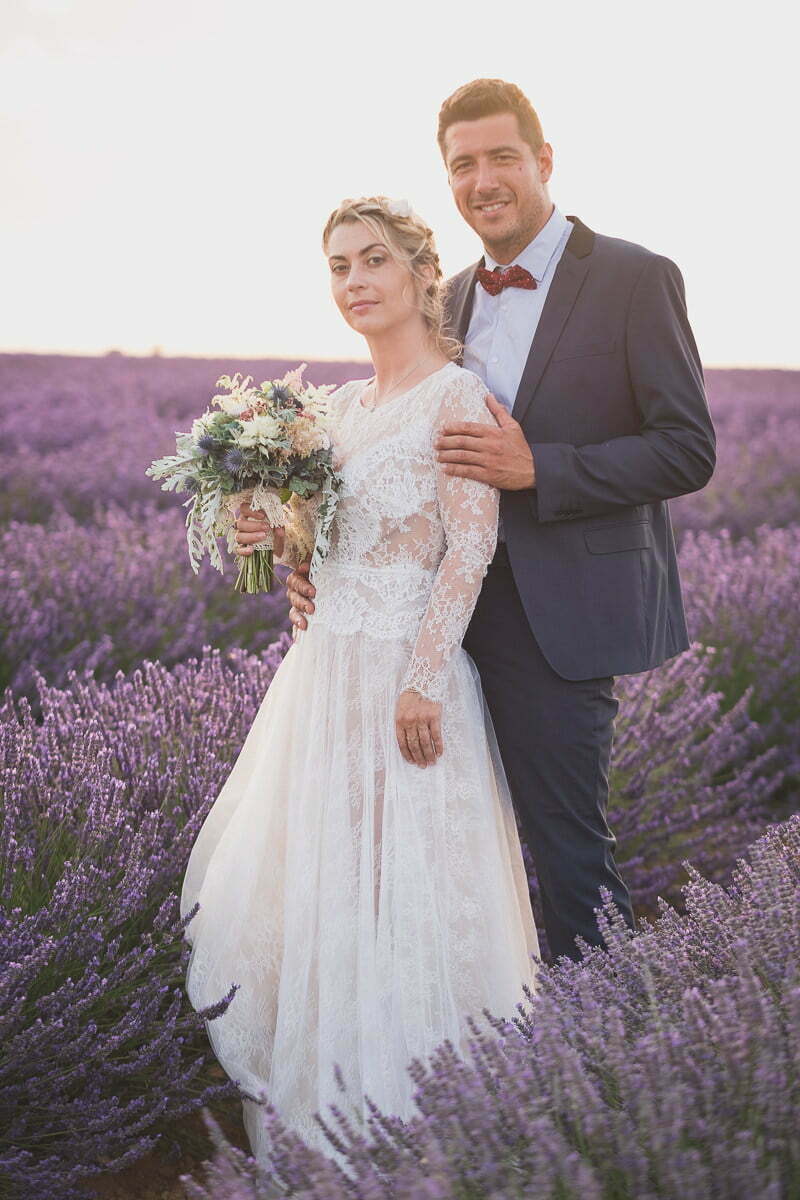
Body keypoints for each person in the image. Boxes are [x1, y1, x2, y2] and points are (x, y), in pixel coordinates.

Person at [271, 79, 716, 964]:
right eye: (462, 165)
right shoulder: (449, 294)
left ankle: (603, 1055)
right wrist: (311, 552)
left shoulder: (636, 277)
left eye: (501, 157)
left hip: (557, 616)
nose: (484, 180)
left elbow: (687, 448)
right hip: (423, 622)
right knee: (435, 853)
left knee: (568, 856)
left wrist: (541, 468)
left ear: (544, 161)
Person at [181, 195, 539, 1163]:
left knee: (402, 891)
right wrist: (274, 539)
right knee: (321, 890)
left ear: (423, 277)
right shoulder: (337, 409)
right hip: (321, 678)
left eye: (372, 261)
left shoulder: (454, 398)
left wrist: (421, 679)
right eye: (337, 267)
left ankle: (415, 1130)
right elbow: (321, 542)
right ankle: (321, 1122)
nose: (353, 283)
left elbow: (468, 549)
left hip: (402, 685)